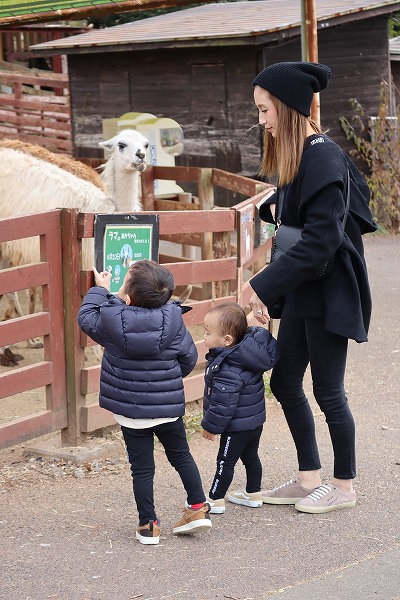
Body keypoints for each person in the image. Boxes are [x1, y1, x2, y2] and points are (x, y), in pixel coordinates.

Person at [249, 61, 377, 514]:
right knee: (284, 381)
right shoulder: (297, 155)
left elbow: (323, 238)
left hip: (329, 289)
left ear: (286, 107)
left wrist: (260, 287)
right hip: (305, 286)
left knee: (328, 391)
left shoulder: (322, 154)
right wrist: (264, 216)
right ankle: (308, 480)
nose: (261, 120)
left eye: (265, 110)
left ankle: (343, 488)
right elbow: (291, 215)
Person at [77, 260, 211, 545]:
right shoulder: (173, 321)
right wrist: (167, 380)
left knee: (142, 468)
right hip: (167, 408)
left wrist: (103, 291)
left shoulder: (111, 321)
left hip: (130, 413)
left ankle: (148, 525)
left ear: (129, 294)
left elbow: (86, 316)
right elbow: (188, 359)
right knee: (181, 456)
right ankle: (198, 509)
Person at [201, 302, 278, 514]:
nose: (203, 338)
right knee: (251, 457)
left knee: (225, 462)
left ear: (227, 340)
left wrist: (211, 427)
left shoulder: (229, 366)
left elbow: (223, 404)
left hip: (236, 426)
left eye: (207, 333)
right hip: (253, 422)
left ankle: (215, 499)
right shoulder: (247, 356)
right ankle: (253, 493)